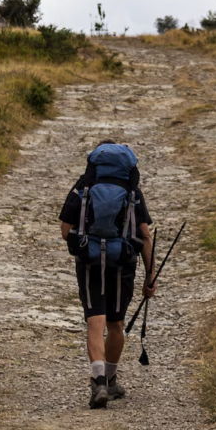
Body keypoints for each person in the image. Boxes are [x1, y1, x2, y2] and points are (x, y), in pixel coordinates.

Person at [59, 141, 157, 409]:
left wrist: (88, 243)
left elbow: (66, 230)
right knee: (115, 325)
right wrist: (150, 277)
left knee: (95, 325)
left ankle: (99, 381)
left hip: (89, 262)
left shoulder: (83, 187)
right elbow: (145, 237)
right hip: (123, 263)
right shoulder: (132, 191)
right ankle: (111, 382)